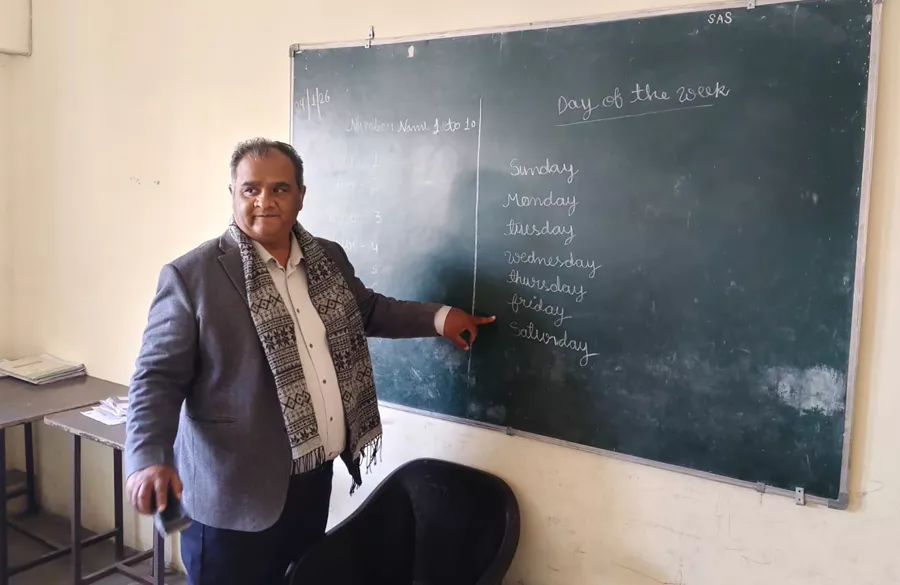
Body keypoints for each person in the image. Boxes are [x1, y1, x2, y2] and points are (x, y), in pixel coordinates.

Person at [124, 138, 494, 585]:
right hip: (232, 496)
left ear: (301, 195)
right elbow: (156, 379)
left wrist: (440, 318)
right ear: (233, 195)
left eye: (280, 189)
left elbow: (368, 310)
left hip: (311, 481)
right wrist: (148, 458)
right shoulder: (193, 276)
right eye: (251, 189)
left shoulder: (327, 258)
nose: (265, 201)